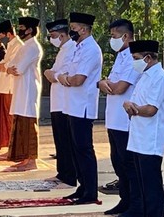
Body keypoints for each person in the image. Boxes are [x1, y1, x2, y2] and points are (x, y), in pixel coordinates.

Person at [97, 19, 142, 216]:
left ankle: (135, 203)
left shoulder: (134, 57)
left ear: (125, 36)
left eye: (114, 36)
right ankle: (124, 200)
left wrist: (106, 84)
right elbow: (107, 84)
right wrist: (102, 83)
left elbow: (119, 87)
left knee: (128, 163)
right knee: (117, 162)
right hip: (113, 118)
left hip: (125, 120)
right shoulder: (120, 56)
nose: (112, 40)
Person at [57, 12, 102, 205]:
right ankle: (82, 187)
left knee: (84, 149)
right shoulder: (78, 47)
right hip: (71, 104)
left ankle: (90, 191)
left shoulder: (91, 49)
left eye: (74, 27)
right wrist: (65, 78)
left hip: (82, 105)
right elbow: (68, 74)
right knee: (75, 149)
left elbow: (78, 79)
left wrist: (64, 79)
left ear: (83, 29)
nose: (71, 31)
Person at [123, 40, 164, 217]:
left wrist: (132, 108)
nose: (133, 62)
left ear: (148, 58)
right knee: (141, 184)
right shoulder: (145, 76)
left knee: (151, 187)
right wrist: (131, 106)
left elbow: (151, 109)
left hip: (151, 139)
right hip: (138, 137)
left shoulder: (160, 78)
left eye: (136, 58)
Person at [43, 19, 77, 186]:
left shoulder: (72, 49)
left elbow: (64, 74)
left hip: (65, 101)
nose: (52, 39)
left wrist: (51, 74)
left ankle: (69, 175)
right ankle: (62, 173)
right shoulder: (63, 50)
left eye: (54, 35)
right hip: (57, 100)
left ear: (63, 34)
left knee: (65, 139)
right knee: (59, 139)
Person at [6, 17, 44, 169]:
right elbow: (9, 65)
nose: (19, 30)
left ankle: (32, 160)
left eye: (22, 27)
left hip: (28, 89)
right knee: (21, 122)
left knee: (29, 124)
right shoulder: (24, 46)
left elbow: (18, 68)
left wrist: (10, 69)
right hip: (20, 88)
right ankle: (24, 158)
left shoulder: (33, 47)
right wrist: (10, 68)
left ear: (29, 30)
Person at [0, 20, 22, 152]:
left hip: (10, 87)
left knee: (10, 119)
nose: (0, 40)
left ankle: (12, 149)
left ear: (8, 34)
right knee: (3, 119)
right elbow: (1, 64)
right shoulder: (10, 45)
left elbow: (10, 64)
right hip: (3, 86)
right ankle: (7, 148)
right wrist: (2, 66)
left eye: (0, 37)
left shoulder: (18, 45)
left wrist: (3, 66)